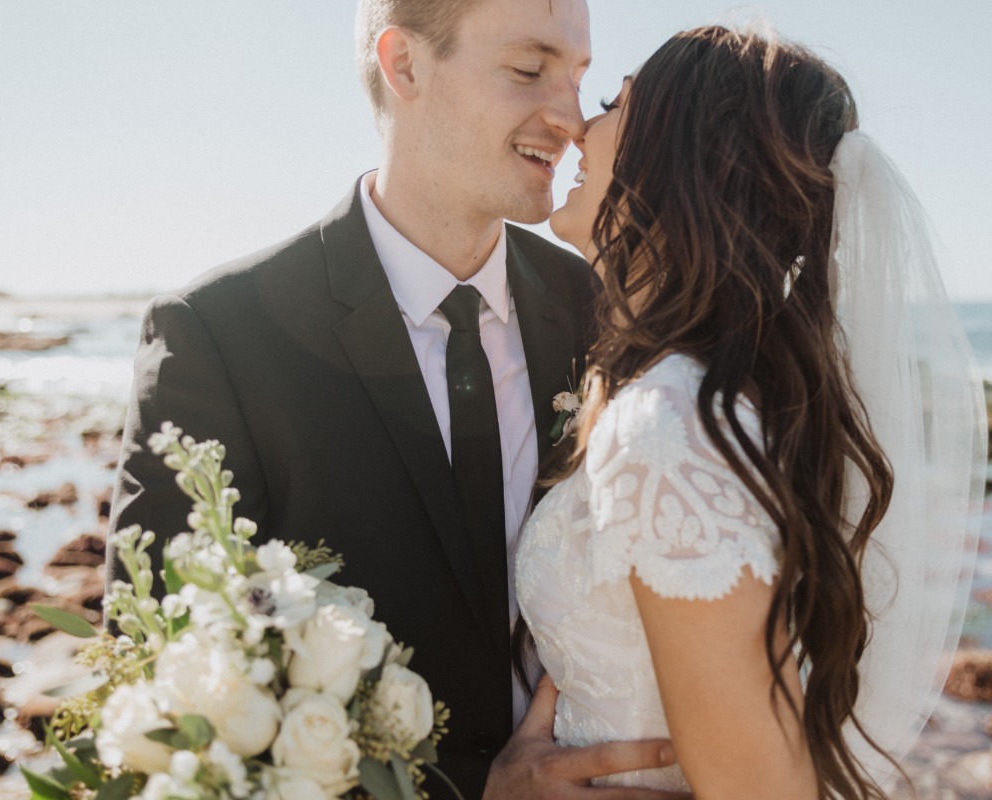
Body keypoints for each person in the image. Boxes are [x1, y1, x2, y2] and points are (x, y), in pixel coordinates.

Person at [106, 1, 682, 797]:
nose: (571, 118)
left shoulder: (598, 308)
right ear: (403, 64)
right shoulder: (219, 334)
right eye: (528, 70)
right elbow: (162, 677)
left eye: (579, 78)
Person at [515, 24, 986, 798]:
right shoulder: (715, 399)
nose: (578, 127)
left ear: (681, 161)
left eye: (612, 105)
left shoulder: (668, 426)